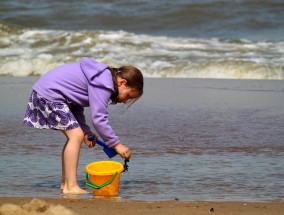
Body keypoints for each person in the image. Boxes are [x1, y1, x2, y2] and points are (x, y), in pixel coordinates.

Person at [23, 57, 144, 194]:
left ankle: (66, 183)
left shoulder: (100, 78)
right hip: (50, 94)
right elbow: (99, 119)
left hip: (48, 92)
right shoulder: (104, 84)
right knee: (76, 136)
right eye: (128, 96)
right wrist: (116, 144)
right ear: (122, 82)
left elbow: (75, 105)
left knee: (77, 135)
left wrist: (86, 131)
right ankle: (71, 187)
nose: (124, 101)